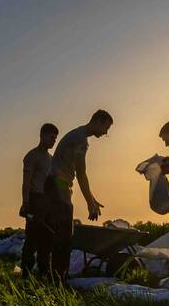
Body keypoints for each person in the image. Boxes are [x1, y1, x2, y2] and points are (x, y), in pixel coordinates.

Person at [45, 110, 113, 281]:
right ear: (98, 121)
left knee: (60, 232)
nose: (106, 133)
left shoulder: (77, 135)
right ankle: (58, 279)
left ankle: (54, 275)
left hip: (58, 185)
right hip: (58, 185)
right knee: (64, 234)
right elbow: (81, 173)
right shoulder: (80, 140)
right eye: (106, 128)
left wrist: (92, 198)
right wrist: (89, 202)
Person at [20, 123, 59, 278]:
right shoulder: (31, 156)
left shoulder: (51, 159)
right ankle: (26, 272)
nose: (53, 141)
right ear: (42, 135)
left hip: (49, 202)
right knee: (32, 237)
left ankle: (44, 271)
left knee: (47, 239)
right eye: (51, 137)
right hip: (36, 199)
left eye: (55, 138)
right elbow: (26, 182)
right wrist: (25, 203)